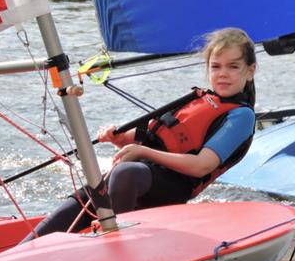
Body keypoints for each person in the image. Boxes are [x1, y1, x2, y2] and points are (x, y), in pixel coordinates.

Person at [24, 27, 257, 239]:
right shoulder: (201, 99)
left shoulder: (241, 116)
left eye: (233, 66)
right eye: (216, 66)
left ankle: (119, 243)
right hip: (143, 174)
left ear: (250, 71)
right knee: (78, 203)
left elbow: (201, 165)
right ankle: (14, 258)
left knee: (125, 173)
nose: (223, 73)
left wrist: (142, 152)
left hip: (174, 184)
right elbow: (154, 136)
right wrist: (121, 139)